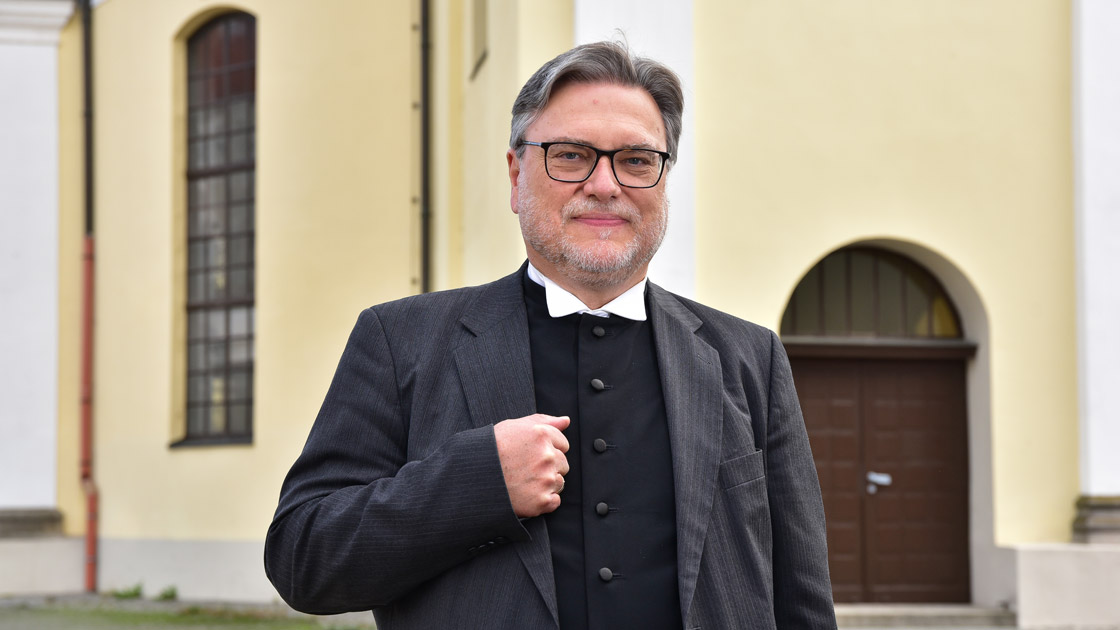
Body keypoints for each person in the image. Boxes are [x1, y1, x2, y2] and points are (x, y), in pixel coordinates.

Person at [264, 40, 836, 630]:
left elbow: (801, 597)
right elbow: (303, 560)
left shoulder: (749, 357)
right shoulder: (400, 340)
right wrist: (477, 482)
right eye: (571, 155)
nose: (605, 184)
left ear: (664, 180)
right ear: (516, 177)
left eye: (637, 160)